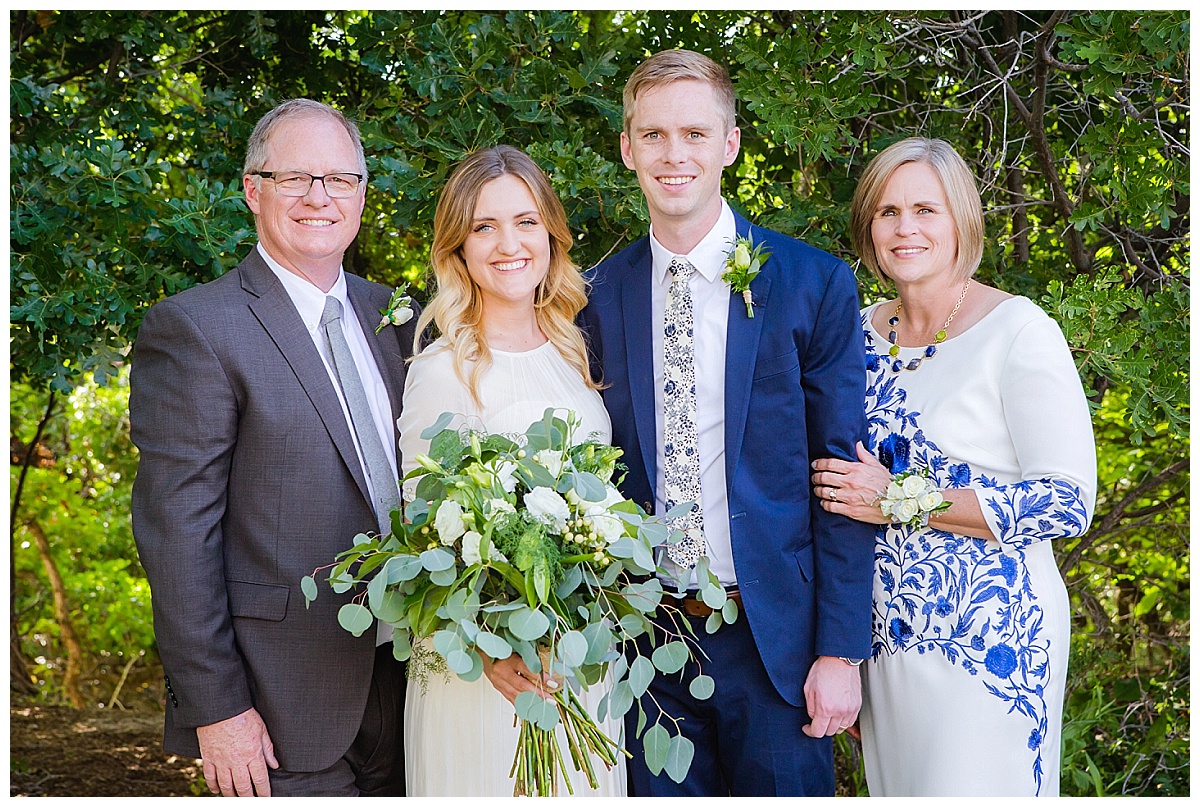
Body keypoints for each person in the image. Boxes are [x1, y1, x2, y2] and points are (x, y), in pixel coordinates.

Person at [580, 49, 875, 796]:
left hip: (775, 640)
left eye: (694, 133)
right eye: (652, 135)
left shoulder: (810, 282)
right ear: (627, 147)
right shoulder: (592, 296)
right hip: (643, 643)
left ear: (730, 144)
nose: (673, 154)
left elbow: (841, 476)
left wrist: (841, 651)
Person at [130, 99, 417, 796]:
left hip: (416, 683)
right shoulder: (197, 327)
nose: (318, 197)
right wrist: (217, 708)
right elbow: (177, 536)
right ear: (253, 190)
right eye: (294, 178)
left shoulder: (399, 319)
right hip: (281, 704)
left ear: (361, 195)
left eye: (339, 179)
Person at [810, 136, 1097, 796]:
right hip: (883, 649)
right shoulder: (853, 334)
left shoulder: (1018, 331)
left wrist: (903, 497)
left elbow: (1066, 501)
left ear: (961, 219)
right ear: (868, 228)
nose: (904, 227)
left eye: (924, 209)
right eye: (886, 212)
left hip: (990, 645)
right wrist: (840, 647)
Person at [396, 145, 625, 797]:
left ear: (551, 233)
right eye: (483, 227)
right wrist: (492, 645)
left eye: (525, 222)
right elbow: (423, 534)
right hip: (484, 669)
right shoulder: (444, 369)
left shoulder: (574, 351)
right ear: (458, 248)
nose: (508, 244)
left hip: (579, 654)